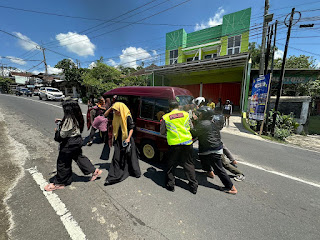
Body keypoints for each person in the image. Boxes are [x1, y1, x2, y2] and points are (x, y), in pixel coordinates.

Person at [44, 100, 102, 191]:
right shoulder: (77, 115)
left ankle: (60, 183)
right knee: (78, 157)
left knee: (63, 162)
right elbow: (72, 126)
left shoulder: (69, 118)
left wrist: (57, 131)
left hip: (69, 143)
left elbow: (63, 135)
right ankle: (94, 171)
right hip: (77, 140)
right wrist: (61, 121)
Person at [191, 106, 237, 194]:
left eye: (200, 114)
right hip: (213, 147)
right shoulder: (211, 122)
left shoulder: (203, 124)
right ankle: (209, 172)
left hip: (212, 149)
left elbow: (194, 132)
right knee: (203, 157)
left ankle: (231, 187)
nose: (198, 115)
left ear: (204, 115)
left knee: (219, 169)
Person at [160, 100, 198, 194]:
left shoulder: (166, 117)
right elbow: (191, 127)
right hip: (187, 143)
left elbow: (162, 132)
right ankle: (193, 186)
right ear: (178, 106)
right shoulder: (185, 114)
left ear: (170, 108)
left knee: (171, 164)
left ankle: (171, 185)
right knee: (188, 164)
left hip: (174, 144)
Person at [104, 102, 141, 185]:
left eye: (116, 110)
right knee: (117, 157)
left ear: (121, 109)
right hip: (118, 139)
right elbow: (105, 115)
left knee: (129, 156)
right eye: (114, 111)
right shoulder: (115, 116)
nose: (115, 112)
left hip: (126, 139)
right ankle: (114, 176)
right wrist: (111, 108)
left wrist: (128, 138)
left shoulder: (127, 116)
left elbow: (131, 128)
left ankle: (132, 171)